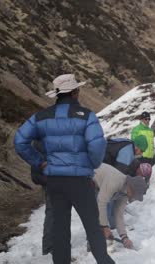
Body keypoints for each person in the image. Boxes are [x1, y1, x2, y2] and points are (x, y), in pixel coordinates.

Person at [14, 74, 114, 264]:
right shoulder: (87, 116)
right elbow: (97, 146)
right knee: (93, 227)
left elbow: (20, 141)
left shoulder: (41, 117)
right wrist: (91, 165)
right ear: (76, 92)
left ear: (57, 94)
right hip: (80, 181)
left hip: (54, 181)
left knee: (60, 230)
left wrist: (39, 162)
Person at [94, 164, 148, 250]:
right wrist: (105, 227)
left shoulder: (125, 193)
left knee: (99, 217)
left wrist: (124, 237)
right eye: (135, 195)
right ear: (131, 187)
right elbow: (101, 202)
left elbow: (118, 214)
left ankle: (95, 240)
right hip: (87, 177)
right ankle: (92, 243)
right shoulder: (116, 181)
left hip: (97, 187)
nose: (134, 198)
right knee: (93, 213)